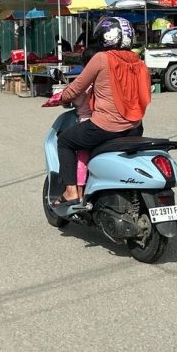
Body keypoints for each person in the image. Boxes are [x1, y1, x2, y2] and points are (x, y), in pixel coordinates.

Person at [49, 17, 149, 210]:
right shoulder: (138, 61)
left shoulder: (101, 58)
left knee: (65, 141)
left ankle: (71, 192)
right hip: (135, 127)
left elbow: (77, 87)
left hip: (105, 127)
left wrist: (61, 98)